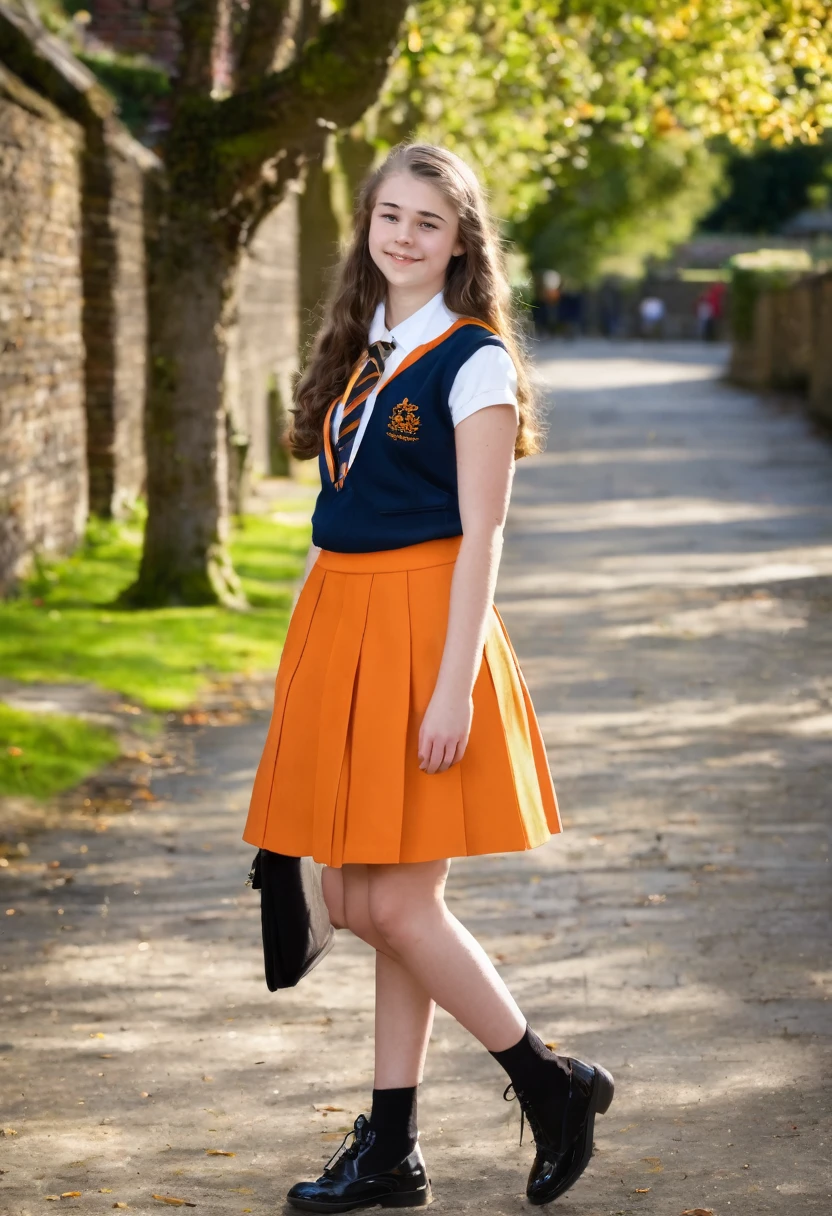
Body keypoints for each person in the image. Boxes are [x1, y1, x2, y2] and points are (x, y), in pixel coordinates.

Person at [242, 142, 614, 1212]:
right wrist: (298, 655)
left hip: (422, 633)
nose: (402, 236)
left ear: (460, 243)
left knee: (389, 899)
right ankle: (396, 1146)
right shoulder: (362, 351)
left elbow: (484, 533)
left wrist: (450, 685)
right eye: (389, 216)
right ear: (369, 223)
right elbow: (335, 515)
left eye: (426, 223)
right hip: (341, 627)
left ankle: (545, 1080)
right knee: (377, 897)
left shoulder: (473, 359)